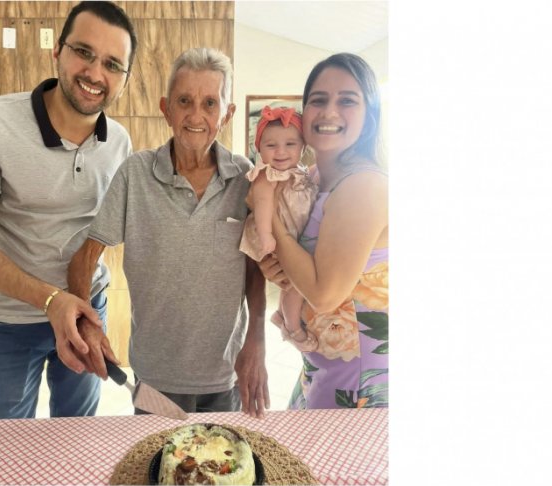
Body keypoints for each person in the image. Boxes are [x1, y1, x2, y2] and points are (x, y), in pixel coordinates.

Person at [66, 47, 270, 418]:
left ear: (227, 113)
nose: (196, 115)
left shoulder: (245, 179)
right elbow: (85, 258)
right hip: (154, 376)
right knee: (157, 468)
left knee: (221, 467)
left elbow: (254, 268)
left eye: (210, 103)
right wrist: (87, 324)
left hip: (225, 374)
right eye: (184, 101)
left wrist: (256, 340)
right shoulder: (136, 173)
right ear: (166, 109)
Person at [0, 1, 138, 419]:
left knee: (78, 432)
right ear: (56, 51)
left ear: (125, 80)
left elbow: (107, 233)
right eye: (84, 53)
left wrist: (79, 304)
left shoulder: (120, 144)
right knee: (5, 441)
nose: (96, 74)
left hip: (87, 307)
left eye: (113, 64)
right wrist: (52, 301)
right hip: (8, 321)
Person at [258, 53, 388, 409]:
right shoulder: (313, 178)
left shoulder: (365, 184)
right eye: (318, 100)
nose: (330, 112)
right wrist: (279, 269)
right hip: (320, 368)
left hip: (359, 382)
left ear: (369, 115)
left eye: (347, 100)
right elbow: (303, 261)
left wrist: (268, 220)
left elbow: (325, 293)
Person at [239, 106, 316, 345]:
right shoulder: (267, 175)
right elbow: (261, 203)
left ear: (303, 147)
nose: (281, 152)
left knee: (296, 284)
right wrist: (266, 235)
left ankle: (284, 315)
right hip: (275, 237)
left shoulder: (302, 172)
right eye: (271, 145)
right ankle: (291, 327)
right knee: (295, 284)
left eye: (290, 144)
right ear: (259, 149)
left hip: (295, 236)